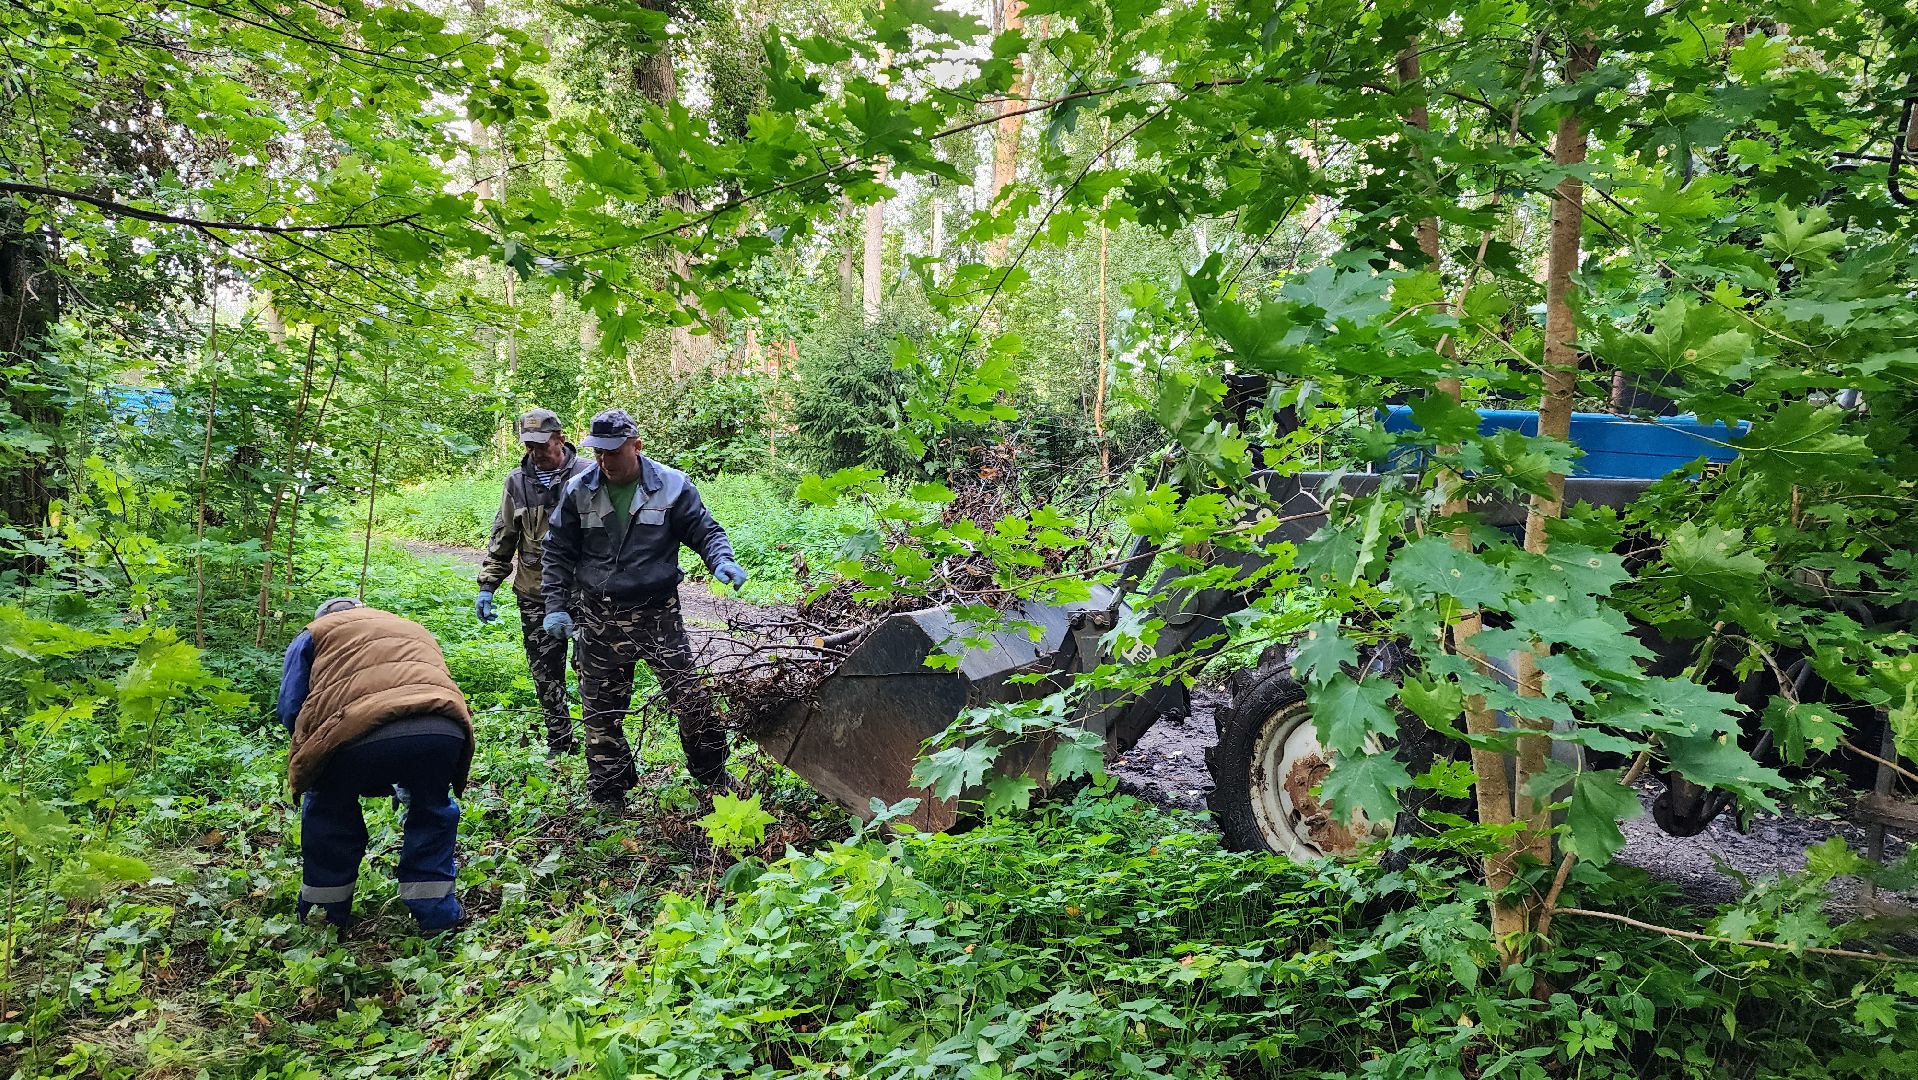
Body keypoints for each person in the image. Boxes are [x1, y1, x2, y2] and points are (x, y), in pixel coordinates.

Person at [540, 408, 748, 809]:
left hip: (658, 616)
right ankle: (609, 791)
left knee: (690, 698)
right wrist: (556, 606)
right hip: (599, 618)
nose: (603, 460)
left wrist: (720, 559)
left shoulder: (671, 486)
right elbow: (557, 552)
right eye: (597, 452)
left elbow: (705, 530)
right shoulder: (580, 489)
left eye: (613, 452)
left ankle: (713, 775)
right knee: (600, 709)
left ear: (636, 446)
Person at [277, 598, 474, 932]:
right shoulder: (410, 626)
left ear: (325, 617)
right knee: (433, 811)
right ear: (364, 609)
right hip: (444, 729)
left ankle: (325, 917)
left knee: (329, 810)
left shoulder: (314, 633)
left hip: (356, 735)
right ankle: (437, 916)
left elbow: (290, 706)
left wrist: (316, 757)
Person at [475, 407, 592, 755]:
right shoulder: (517, 482)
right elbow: (504, 535)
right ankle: (560, 742)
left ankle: (598, 741)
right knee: (546, 674)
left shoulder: (589, 475)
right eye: (528, 444)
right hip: (535, 593)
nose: (535, 452)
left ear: (560, 438)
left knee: (592, 671)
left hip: (585, 594)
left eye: (542, 444)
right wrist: (487, 585)